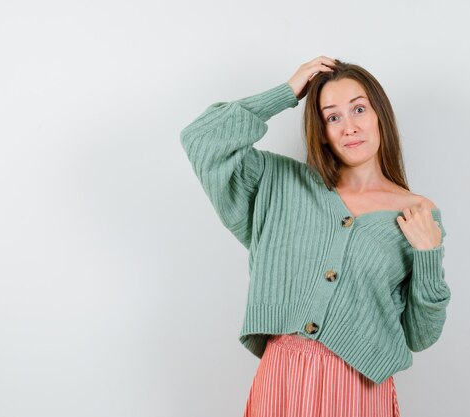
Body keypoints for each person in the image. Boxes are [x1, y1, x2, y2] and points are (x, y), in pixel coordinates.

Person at [179, 56, 451, 417]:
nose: (349, 127)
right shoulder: (280, 184)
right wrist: (287, 92)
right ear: (321, 131)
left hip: (358, 388)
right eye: (333, 116)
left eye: (359, 109)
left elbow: (420, 335)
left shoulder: (417, 214)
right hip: (282, 380)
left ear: (380, 115)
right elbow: (201, 139)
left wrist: (428, 255)